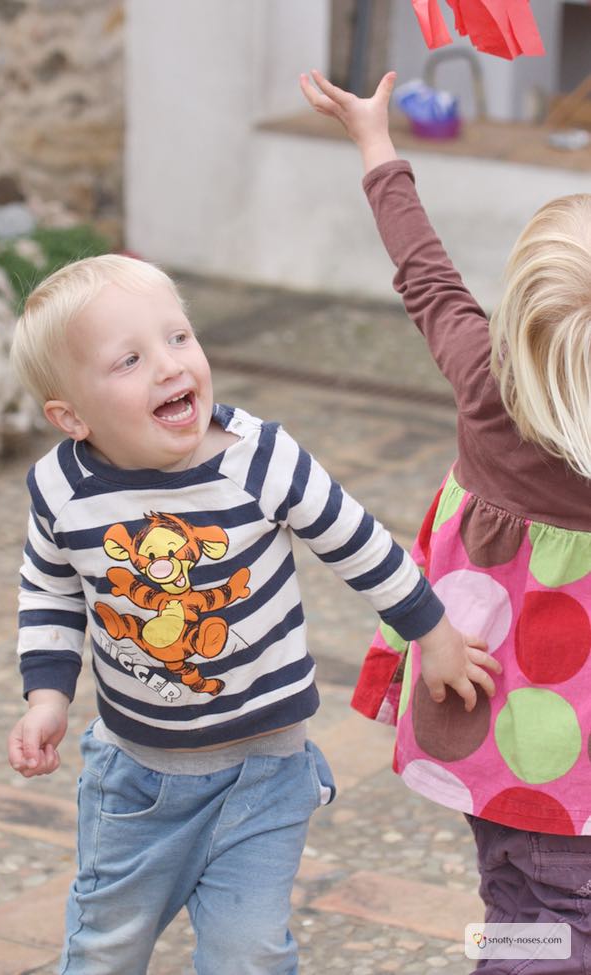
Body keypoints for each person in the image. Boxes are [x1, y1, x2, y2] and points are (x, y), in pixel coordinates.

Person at [6, 252, 498, 975]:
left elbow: (360, 543)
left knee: (252, 951)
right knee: (106, 943)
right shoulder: (62, 488)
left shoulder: (260, 459)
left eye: (179, 338)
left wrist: (435, 630)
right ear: (71, 416)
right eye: (131, 359)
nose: (171, 366)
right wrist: (47, 697)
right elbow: (48, 588)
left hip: (266, 772)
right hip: (136, 780)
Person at [300, 68, 591, 972]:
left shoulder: (483, 379)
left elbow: (423, 272)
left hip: (479, 705)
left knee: (515, 883)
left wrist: (375, 143)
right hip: (570, 750)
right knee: (559, 902)